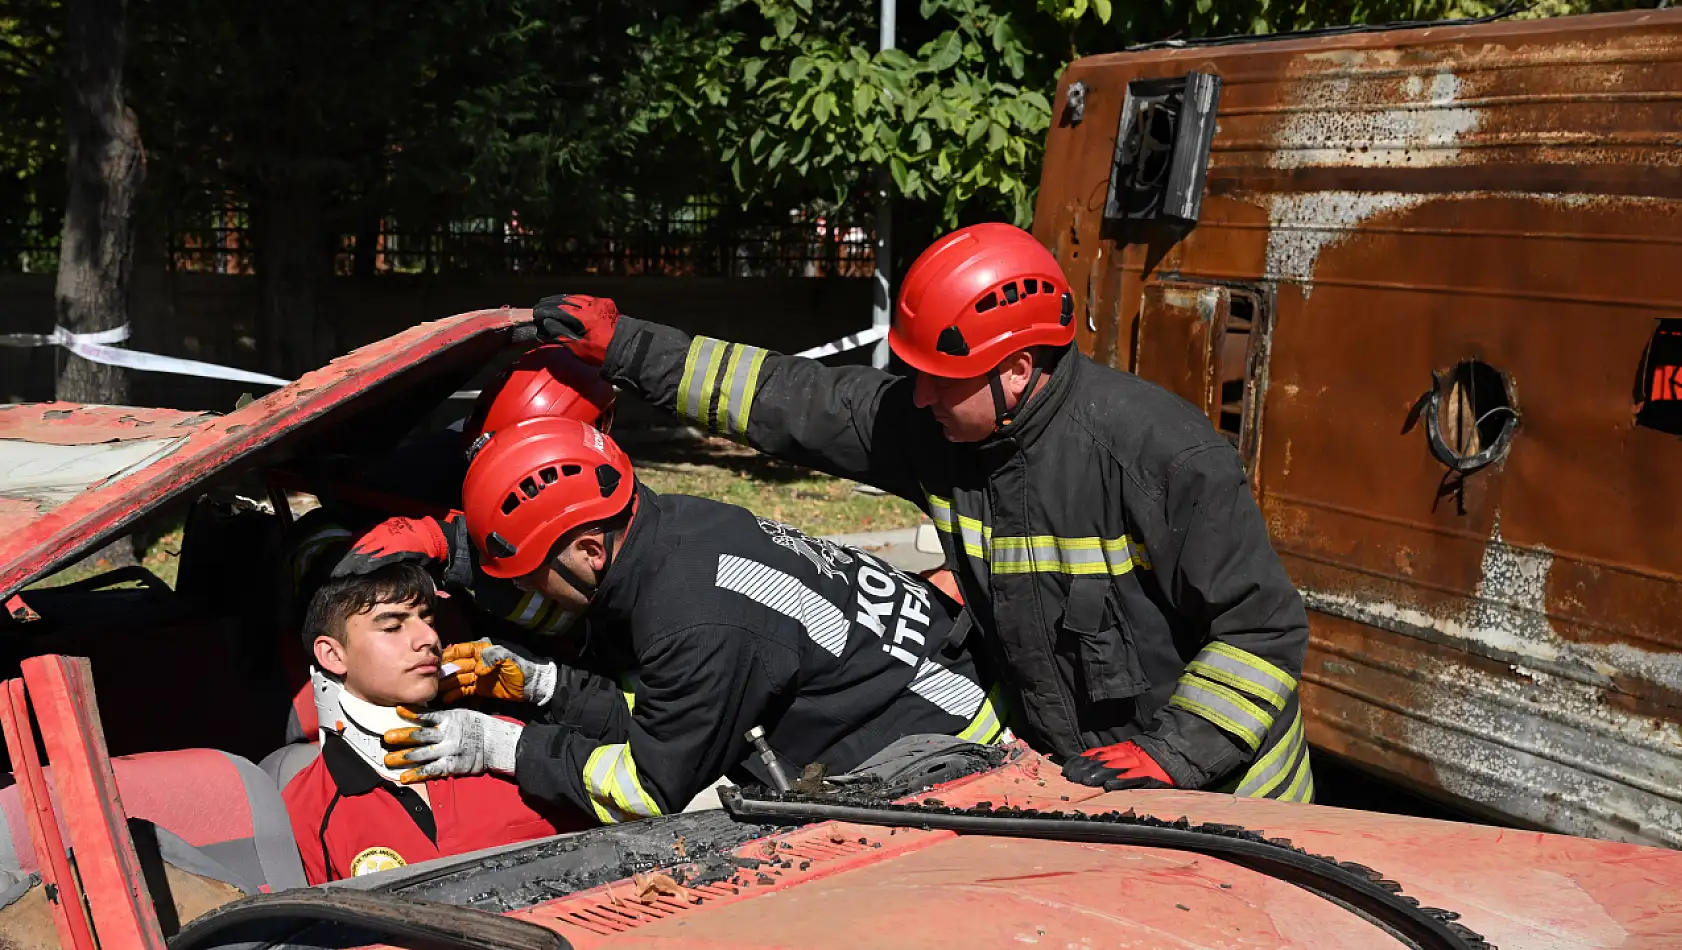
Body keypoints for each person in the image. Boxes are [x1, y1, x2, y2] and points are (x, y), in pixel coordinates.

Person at [520, 222, 1314, 801]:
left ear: (1019, 371)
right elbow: (785, 400)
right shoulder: (937, 428)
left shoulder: (1159, 454)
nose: (920, 394)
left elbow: (1262, 633)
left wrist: (1176, 753)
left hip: (1237, 789)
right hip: (1102, 783)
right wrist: (626, 347)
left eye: (941, 376)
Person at [368, 417, 1003, 825]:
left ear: (589, 553)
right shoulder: (674, 527)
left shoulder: (692, 618)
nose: (534, 596)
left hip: (946, 754)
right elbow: (671, 711)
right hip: (932, 684)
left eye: (535, 576)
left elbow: (648, 787)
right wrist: (546, 686)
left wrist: (504, 746)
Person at [280, 564, 589, 882]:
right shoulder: (303, 810)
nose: (430, 638)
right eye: (392, 627)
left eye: (428, 619)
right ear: (332, 655)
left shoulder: (513, 746)